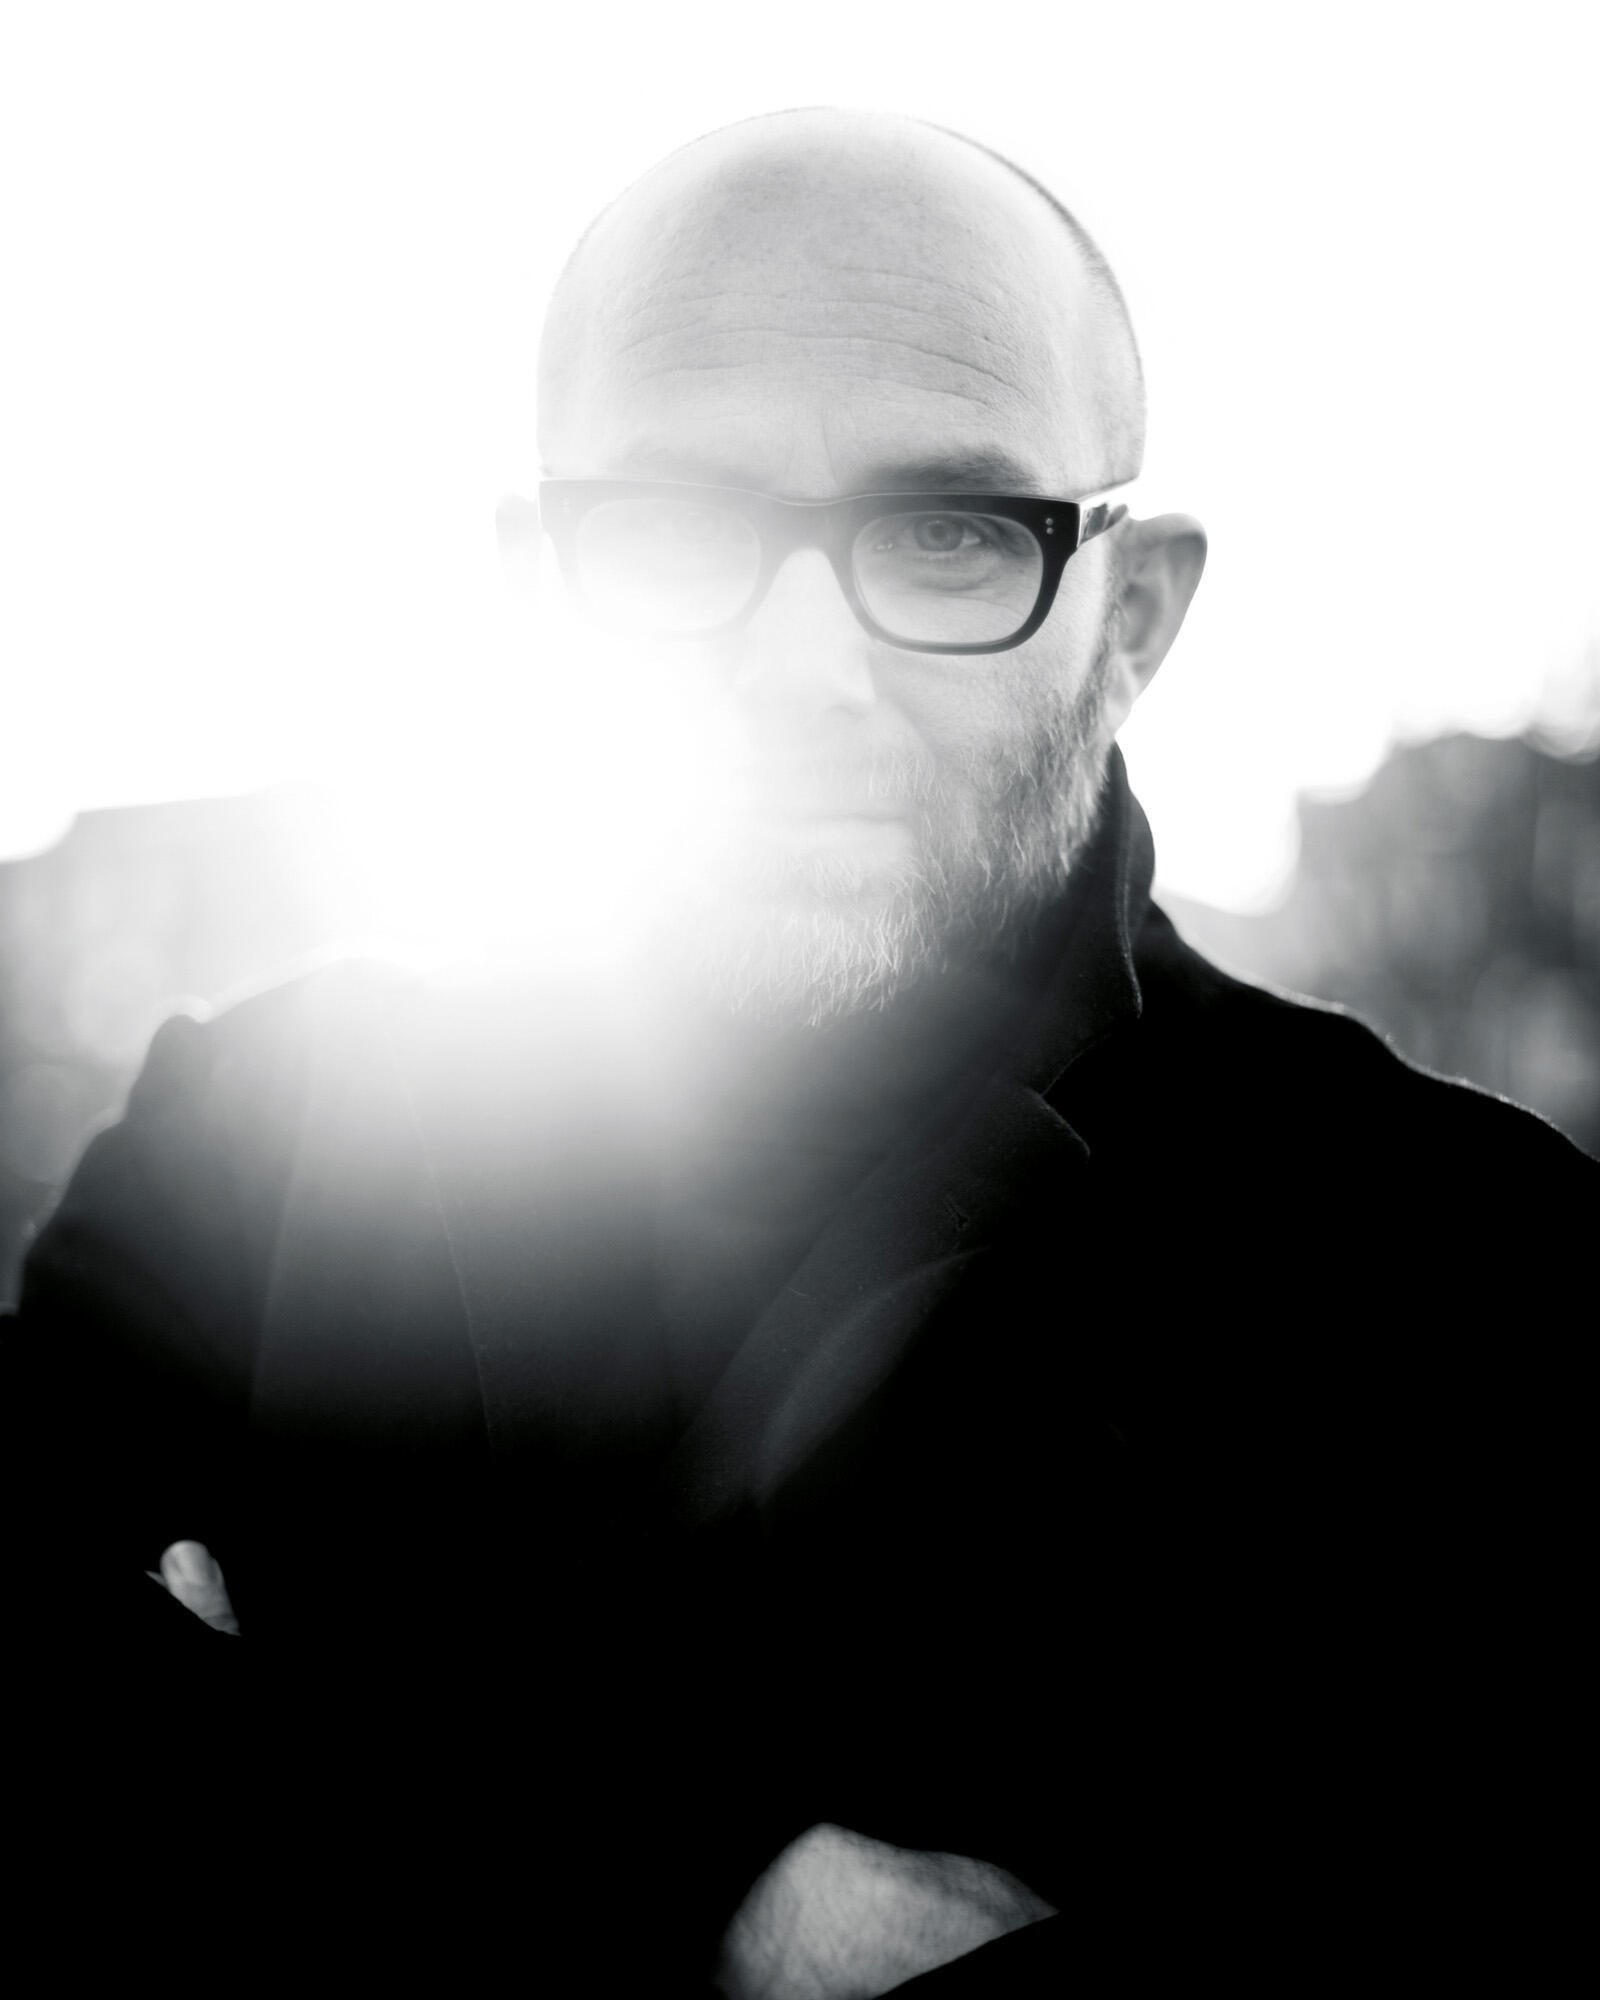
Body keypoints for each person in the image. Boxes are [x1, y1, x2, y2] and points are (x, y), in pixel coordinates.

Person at [5, 109, 1590, 1991]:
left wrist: (311, 1760)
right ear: (541, 587)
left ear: (1133, 621)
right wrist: (691, 1889)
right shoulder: (240, 1147)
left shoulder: (1476, 1277)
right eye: (678, 531)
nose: (800, 672)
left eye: (949, 537)